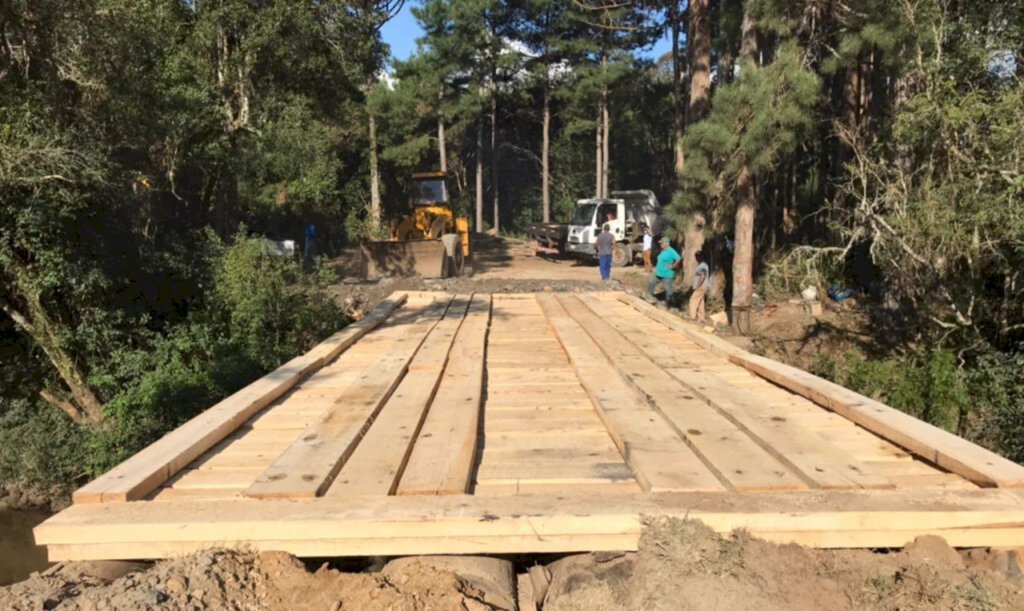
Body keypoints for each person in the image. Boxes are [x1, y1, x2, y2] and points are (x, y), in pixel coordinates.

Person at [647, 236, 681, 301]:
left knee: (668, 289)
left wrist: (673, 266)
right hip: (658, 273)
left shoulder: (671, 251)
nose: (660, 244)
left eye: (662, 243)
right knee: (651, 282)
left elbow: (678, 258)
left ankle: (669, 302)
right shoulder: (663, 250)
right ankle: (649, 296)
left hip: (667, 274)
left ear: (666, 244)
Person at [689, 250, 710, 323]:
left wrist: (698, 285)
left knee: (693, 300)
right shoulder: (701, 265)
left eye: (698, 256)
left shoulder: (702, 265)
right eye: (696, 256)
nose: (696, 258)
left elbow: (703, 276)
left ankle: (692, 316)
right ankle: (701, 318)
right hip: (703, 286)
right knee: (700, 301)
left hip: (702, 286)